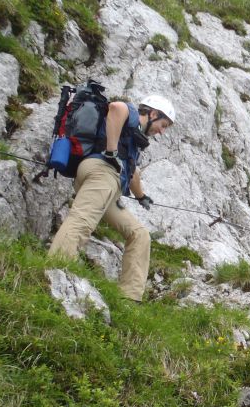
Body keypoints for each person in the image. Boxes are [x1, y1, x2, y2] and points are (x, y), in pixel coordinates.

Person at [48, 95, 175, 301]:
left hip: (110, 185)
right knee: (82, 220)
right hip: (102, 174)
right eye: (163, 125)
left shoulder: (133, 138)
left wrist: (141, 196)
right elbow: (116, 108)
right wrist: (111, 150)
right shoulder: (132, 114)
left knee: (139, 234)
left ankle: (130, 296)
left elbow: (132, 172)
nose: (161, 131)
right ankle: (55, 271)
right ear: (152, 113)